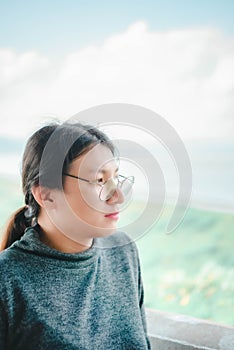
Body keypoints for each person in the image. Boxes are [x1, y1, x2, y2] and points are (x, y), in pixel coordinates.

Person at [0, 121, 151, 349]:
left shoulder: (123, 251)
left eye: (116, 178)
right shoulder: (7, 282)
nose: (118, 197)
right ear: (46, 195)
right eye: (100, 181)